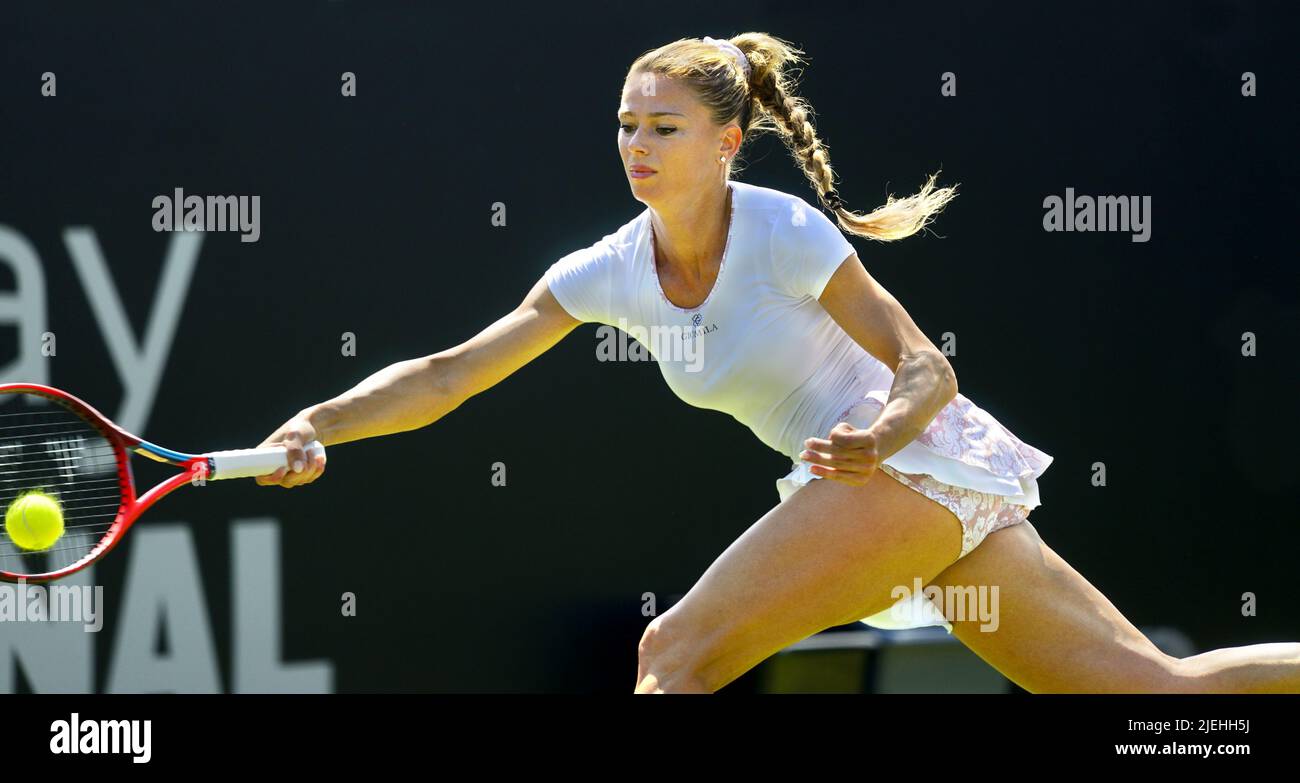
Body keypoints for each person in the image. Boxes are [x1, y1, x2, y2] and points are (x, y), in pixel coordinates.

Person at [255, 33, 1300, 694]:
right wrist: (318, 422)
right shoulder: (606, 271)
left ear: (727, 139)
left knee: (672, 660)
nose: (638, 144)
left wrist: (880, 436)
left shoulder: (783, 232)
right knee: (1157, 696)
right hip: (910, 493)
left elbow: (926, 367)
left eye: (664, 126)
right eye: (626, 125)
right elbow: (446, 375)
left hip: (910, 463)